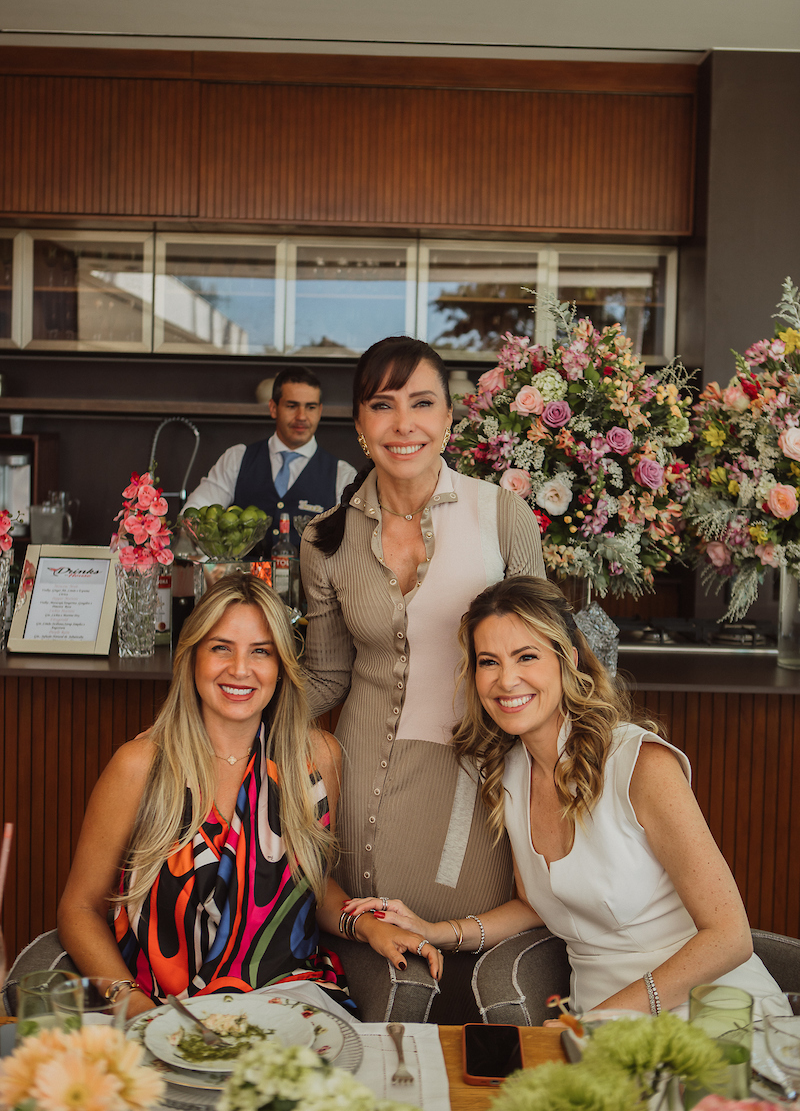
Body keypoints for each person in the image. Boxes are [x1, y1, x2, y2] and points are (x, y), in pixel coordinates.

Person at [344, 575, 786, 1018]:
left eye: (527, 656)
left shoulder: (640, 765)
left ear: (568, 660)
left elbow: (730, 936)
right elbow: (534, 905)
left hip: (708, 1006)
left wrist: (599, 1021)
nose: (507, 680)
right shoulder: (509, 772)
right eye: (488, 662)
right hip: (599, 1022)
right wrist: (436, 930)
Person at [57, 574, 440, 1021]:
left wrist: (365, 924)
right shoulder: (140, 766)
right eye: (221, 647)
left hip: (286, 1001)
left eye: (260, 651)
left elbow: (308, 887)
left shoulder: (317, 759)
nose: (240, 669)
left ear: (281, 666)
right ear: (192, 657)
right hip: (160, 1007)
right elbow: (79, 907)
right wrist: (132, 1004)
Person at [300, 336, 545, 1015]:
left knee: (471, 974)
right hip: (361, 781)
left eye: (421, 404)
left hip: (480, 781)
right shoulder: (324, 537)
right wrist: (222, 715)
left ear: (448, 420)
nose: (402, 424)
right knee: (375, 963)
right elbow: (325, 674)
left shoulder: (502, 516)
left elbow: (547, 656)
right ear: (358, 424)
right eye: (383, 405)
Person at [184, 366, 357, 550]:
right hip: (244, 578)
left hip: (310, 579)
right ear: (273, 408)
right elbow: (192, 518)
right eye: (292, 406)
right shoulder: (237, 459)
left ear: (320, 411)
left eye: (310, 407)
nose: (301, 416)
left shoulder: (342, 474)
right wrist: (214, 564)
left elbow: (352, 545)